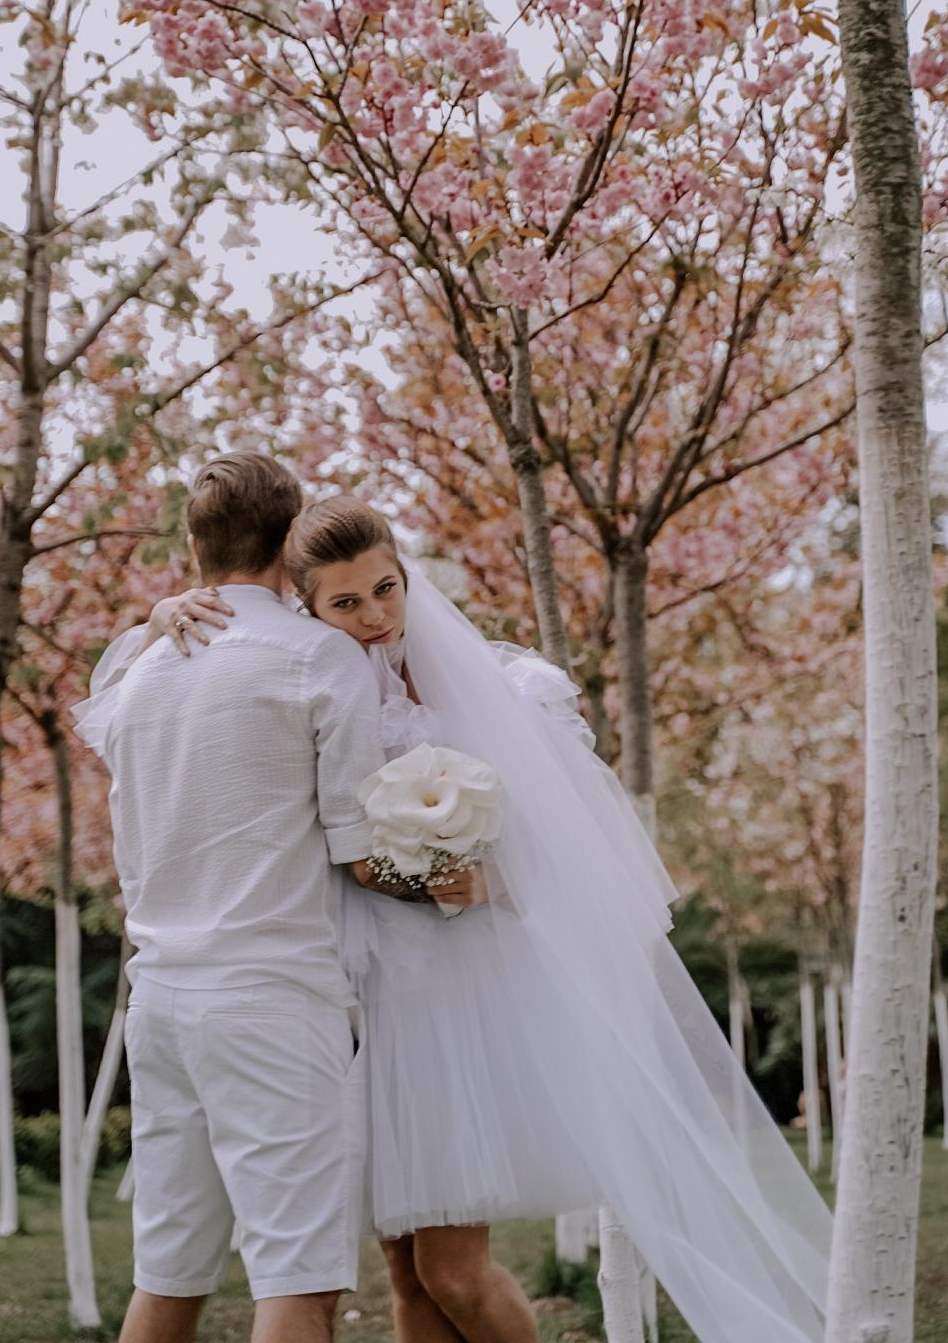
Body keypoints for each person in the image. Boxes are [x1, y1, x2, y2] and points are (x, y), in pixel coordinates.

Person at [146, 490, 833, 1343]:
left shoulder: (497, 687)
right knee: (405, 1275)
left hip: (445, 1003)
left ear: (407, 573)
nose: (374, 616)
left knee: (450, 1269)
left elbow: (567, 834)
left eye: (386, 588)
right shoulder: (312, 675)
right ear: (308, 604)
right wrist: (163, 611)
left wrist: (491, 879)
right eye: (345, 603)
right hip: (358, 1000)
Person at [73, 456, 427, 1343]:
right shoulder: (320, 657)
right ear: (290, 539)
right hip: (272, 1005)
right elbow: (361, 853)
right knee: (298, 1282)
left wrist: (156, 622)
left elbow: (104, 694)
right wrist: (462, 883)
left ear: (194, 546)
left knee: (167, 1278)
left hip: (159, 1003)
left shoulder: (145, 674)